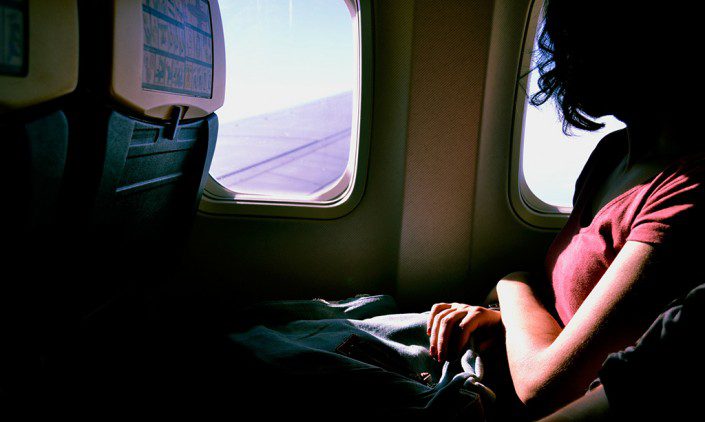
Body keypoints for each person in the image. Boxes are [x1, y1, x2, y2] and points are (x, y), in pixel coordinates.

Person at [427, 0, 705, 418]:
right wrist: (500, 321)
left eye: (576, 38)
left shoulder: (687, 190)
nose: (557, 57)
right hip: (501, 362)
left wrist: (511, 284)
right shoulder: (611, 155)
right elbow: (565, 321)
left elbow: (547, 387)